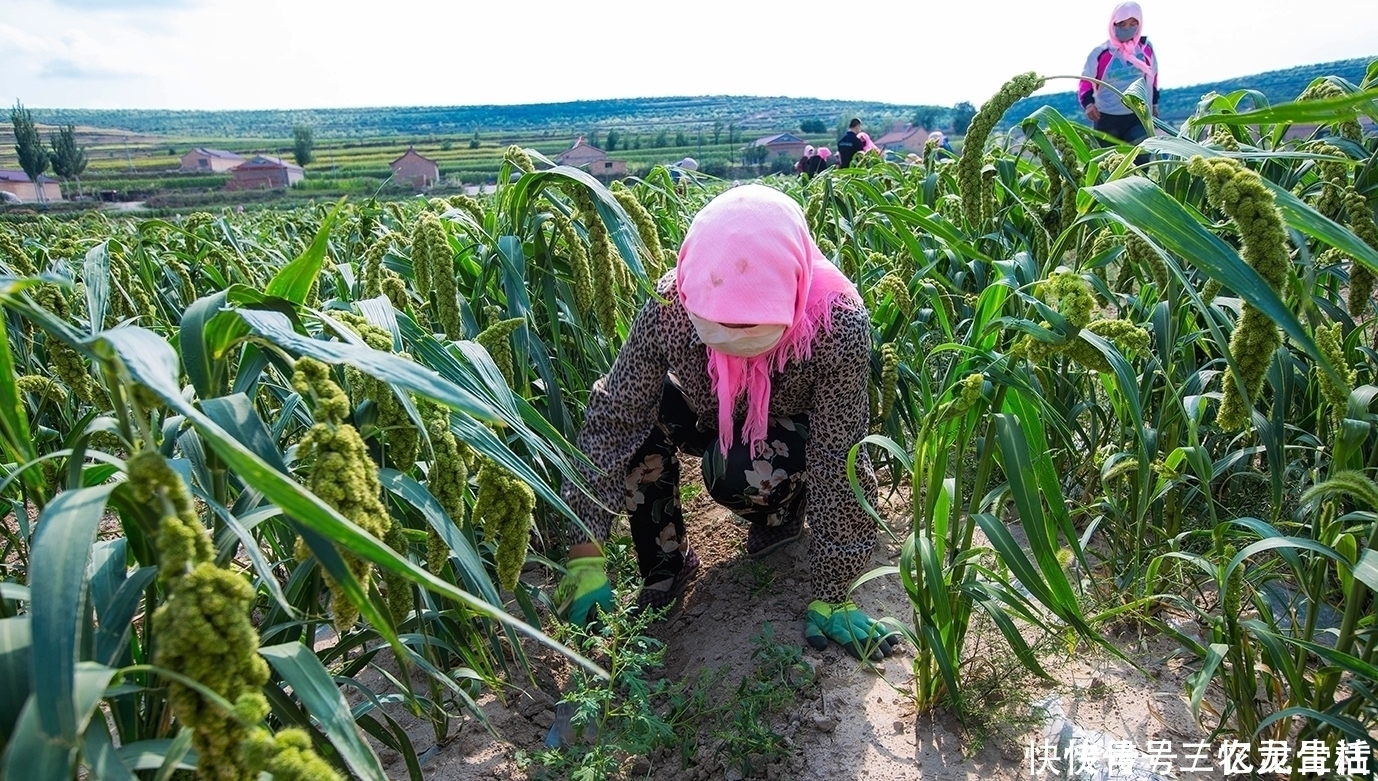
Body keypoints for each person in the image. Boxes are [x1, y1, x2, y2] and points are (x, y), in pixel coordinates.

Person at [553, 184, 901, 662]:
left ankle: (781, 518)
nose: (733, 344)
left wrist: (836, 589)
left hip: (787, 432)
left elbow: (839, 457)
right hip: (711, 410)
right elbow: (616, 414)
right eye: (717, 331)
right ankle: (666, 563)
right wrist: (583, 547)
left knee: (733, 472)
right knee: (640, 416)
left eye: (753, 333)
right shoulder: (671, 306)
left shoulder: (835, 324)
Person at [1079, 2, 1159, 148]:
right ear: (1113, 24)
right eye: (1122, 24)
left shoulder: (1146, 49)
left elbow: (1152, 77)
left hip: (1139, 115)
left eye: (1133, 23)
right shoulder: (1101, 53)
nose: (1127, 28)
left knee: (1140, 158)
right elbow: (1086, 81)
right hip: (1107, 116)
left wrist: (1154, 104)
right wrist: (1088, 104)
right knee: (1108, 162)